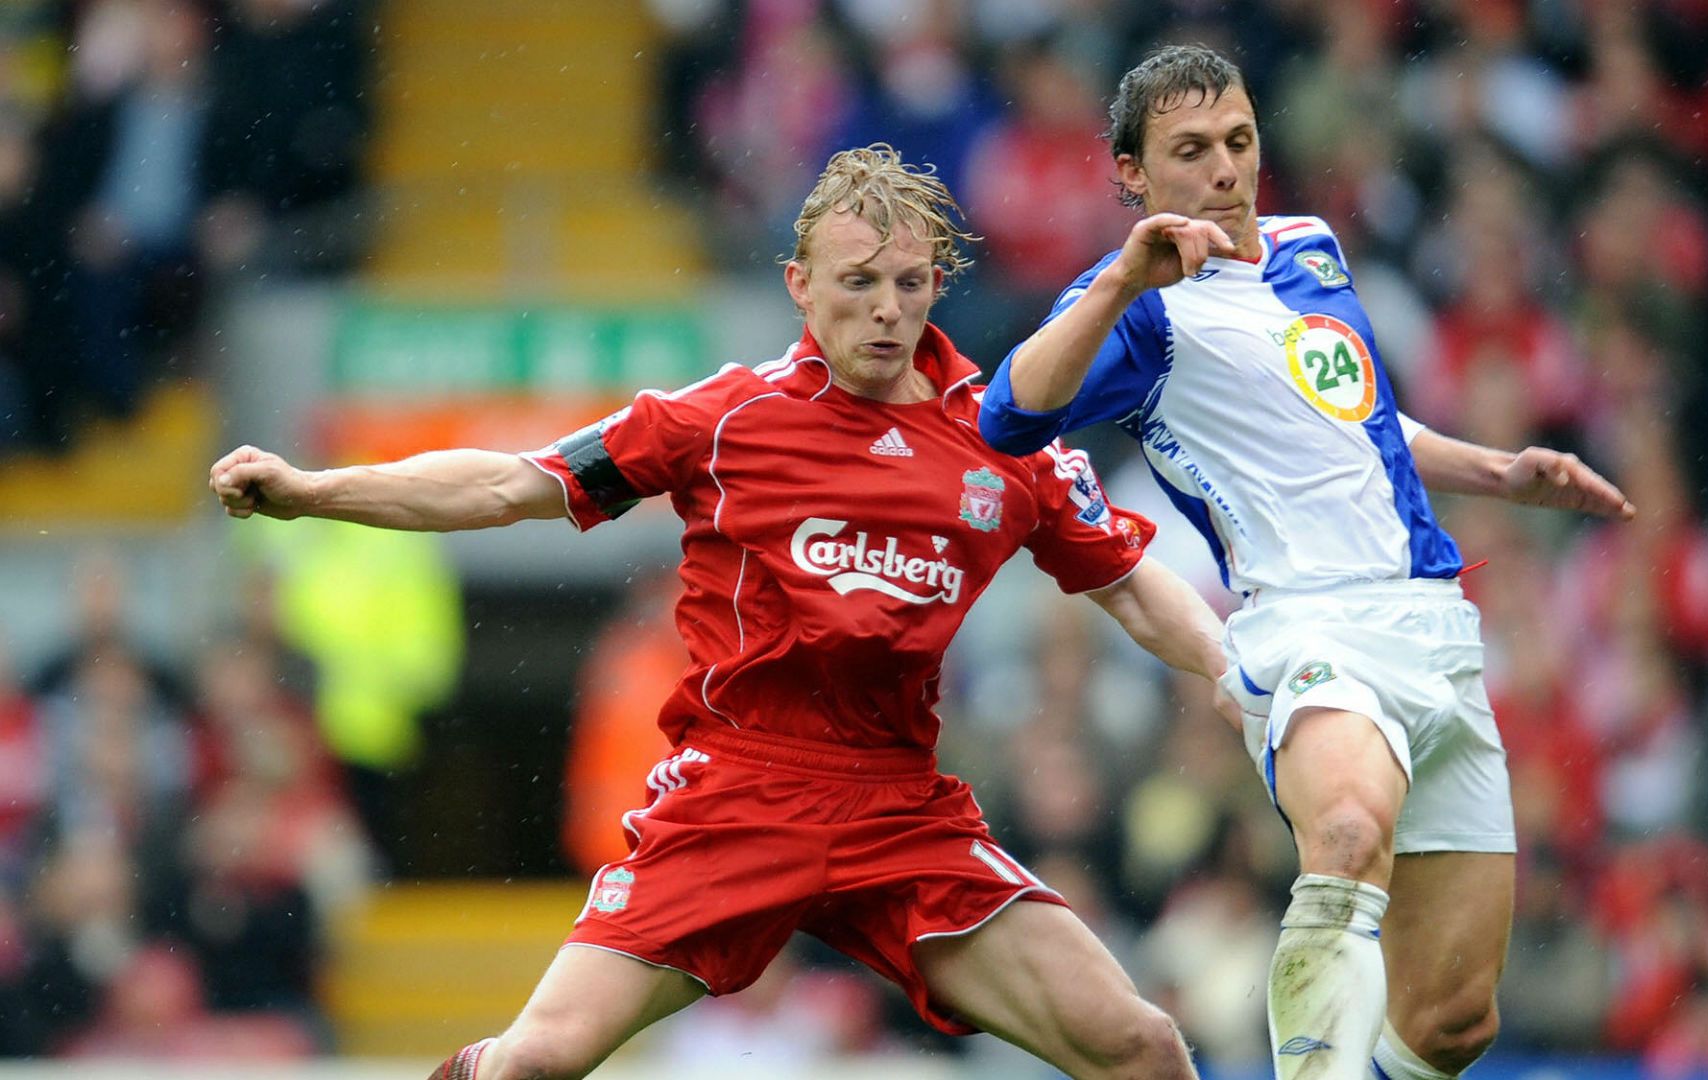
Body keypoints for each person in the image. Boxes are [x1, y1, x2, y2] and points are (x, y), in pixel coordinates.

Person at [209, 145, 1228, 1080]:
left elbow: (1131, 586)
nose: (885, 310)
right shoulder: (723, 417)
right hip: (739, 792)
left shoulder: (1006, 440)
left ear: (936, 289)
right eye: (858, 283)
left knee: (1139, 1046)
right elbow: (507, 486)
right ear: (799, 288)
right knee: (535, 1063)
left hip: (899, 806)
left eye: (908, 284)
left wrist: (1243, 681)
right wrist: (313, 490)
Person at [977, 46, 1635, 1080]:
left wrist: (1499, 471)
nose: (1226, 170)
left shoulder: (1310, 248)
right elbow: (1010, 415)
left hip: (1433, 627)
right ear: (1133, 173)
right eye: (1190, 151)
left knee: (1455, 1023)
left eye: (1239, 141)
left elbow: (1355, 419)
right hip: (1307, 624)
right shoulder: (1138, 308)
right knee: (1341, 825)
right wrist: (1120, 276)